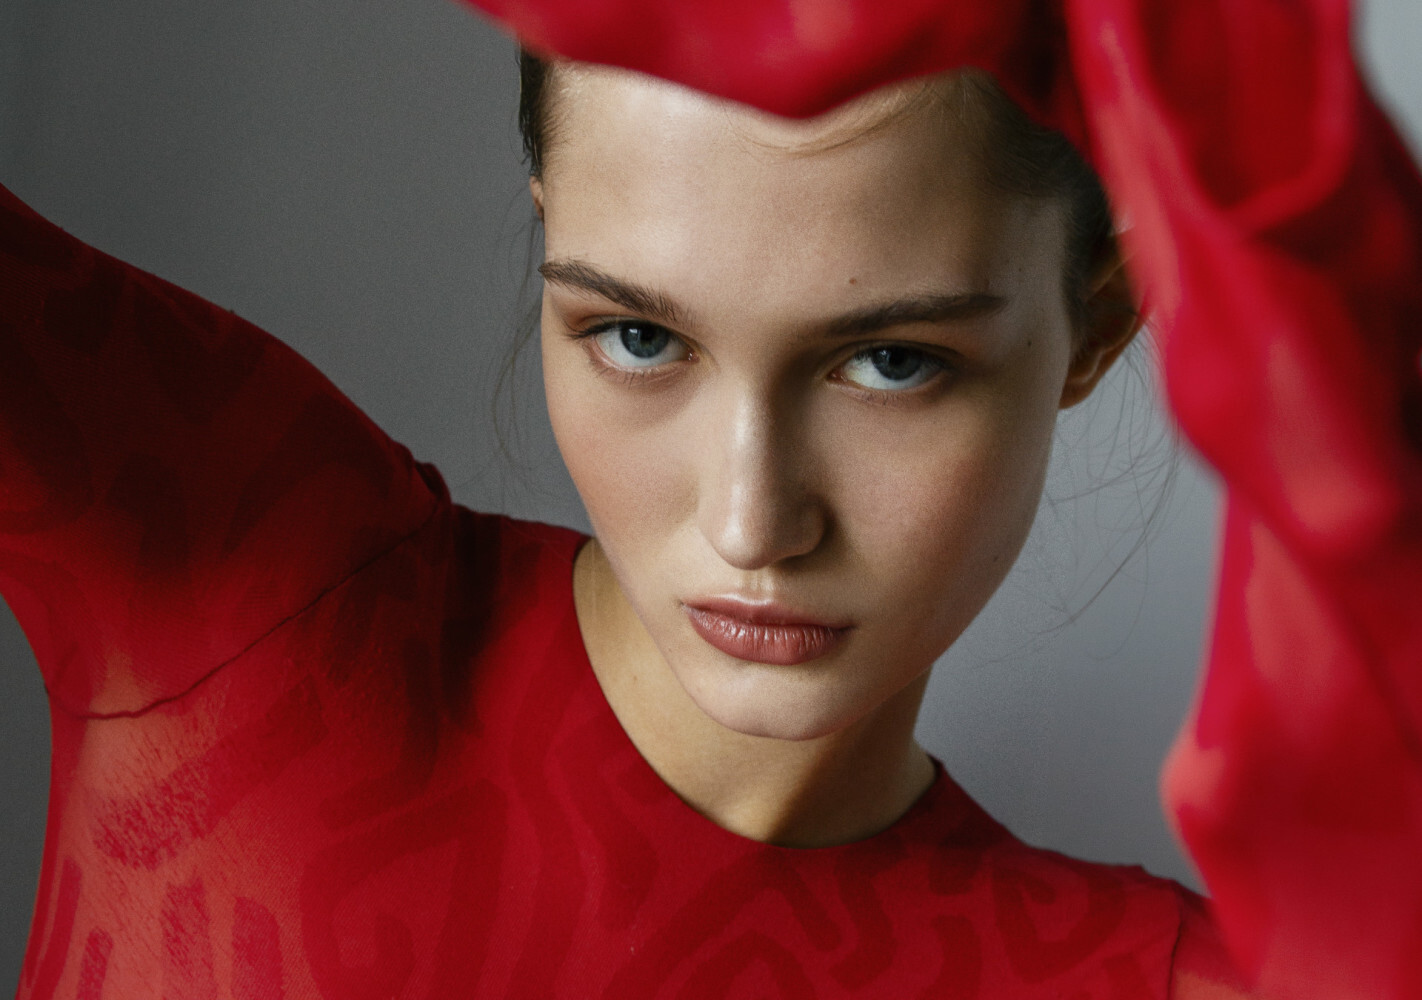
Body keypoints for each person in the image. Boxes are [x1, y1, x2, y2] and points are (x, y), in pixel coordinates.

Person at [3, 3, 1418, 1000]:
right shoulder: (247, 576)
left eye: (891, 360)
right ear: (551, 236)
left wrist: (1339, 309)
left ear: (1097, 321)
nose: (751, 523)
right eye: (638, 336)